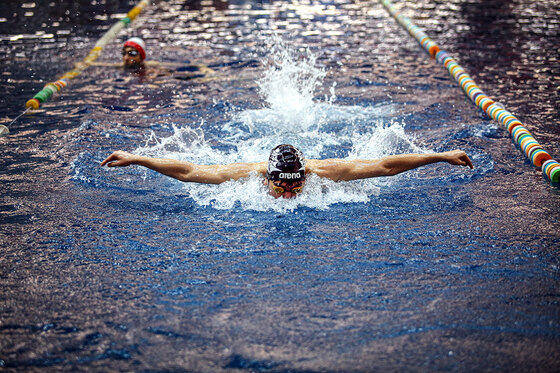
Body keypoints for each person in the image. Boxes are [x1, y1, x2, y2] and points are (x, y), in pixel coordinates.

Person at [101, 144, 474, 199]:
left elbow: (385, 166)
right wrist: (138, 158)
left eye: (295, 184)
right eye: (281, 183)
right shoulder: (244, 175)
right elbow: (189, 171)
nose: (288, 191)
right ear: (267, 176)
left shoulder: (323, 173)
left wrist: (439, 156)